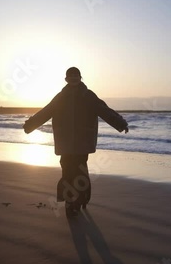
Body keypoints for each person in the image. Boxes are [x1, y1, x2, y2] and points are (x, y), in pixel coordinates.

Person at [23, 67, 129, 216]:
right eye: (70, 76)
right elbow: (46, 111)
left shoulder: (88, 95)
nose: (73, 78)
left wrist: (120, 123)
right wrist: (30, 124)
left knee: (79, 171)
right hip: (65, 141)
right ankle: (70, 202)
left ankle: (79, 200)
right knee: (67, 171)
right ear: (66, 79)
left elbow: (104, 110)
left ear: (80, 78)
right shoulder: (60, 97)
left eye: (76, 76)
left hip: (82, 141)